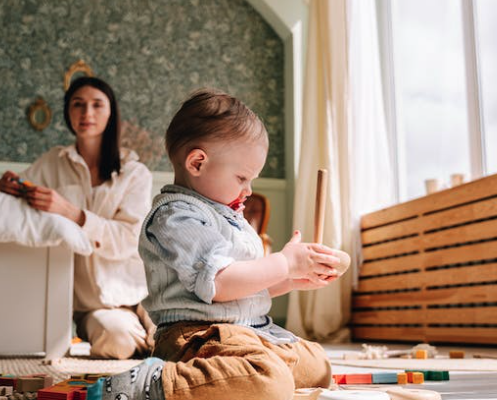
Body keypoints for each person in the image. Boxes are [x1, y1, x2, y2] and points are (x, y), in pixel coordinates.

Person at [86, 89, 346, 400]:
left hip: (248, 332)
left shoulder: (228, 214)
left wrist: (290, 279)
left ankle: (235, 377)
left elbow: (242, 289)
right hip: (196, 337)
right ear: (197, 163)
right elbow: (220, 284)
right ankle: (154, 383)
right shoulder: (176, 216)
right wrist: (284, 263)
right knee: (269, 381)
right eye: (242, 178)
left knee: (318, 367)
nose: (248, 190)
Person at [0, 76, 155, 360]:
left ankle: (152, 335)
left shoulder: (135, 172)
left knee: (175, 340)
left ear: (111, 112)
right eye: (77, 105)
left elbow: (129, 240)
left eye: (97, 105)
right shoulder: (53, 163)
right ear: (68, 113)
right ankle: (144, 339)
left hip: (140, 291)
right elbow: (23, 191)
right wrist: (8, 186)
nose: (86, 113)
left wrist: (72, 213)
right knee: (116, 344)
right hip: (94, 305)